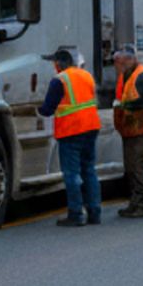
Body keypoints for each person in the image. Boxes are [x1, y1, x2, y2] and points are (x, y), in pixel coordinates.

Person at [37, 49, 101, 227]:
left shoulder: (60, 80)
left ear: (58, 64)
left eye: (53, 63)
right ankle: (95, 212)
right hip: (91, 127)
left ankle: (76, 213)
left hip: (72, 130)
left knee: (71, 174)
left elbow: (48, 108)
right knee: (89, 169)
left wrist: (35, 111)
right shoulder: (87, 76)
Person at [111, 45, 143, 218]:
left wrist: (124, 106)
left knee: (141, 167)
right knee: (132, 168)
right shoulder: (128, 75)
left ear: (128, 60)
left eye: (119, 62)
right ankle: (136, 203)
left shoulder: (141, 76)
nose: (117, 66)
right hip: (133, 130)